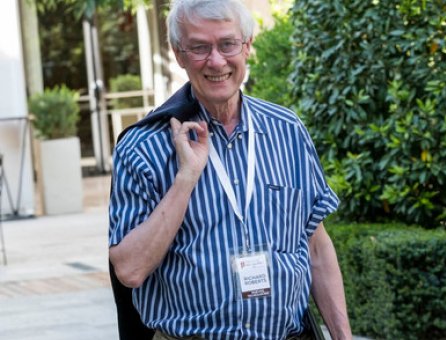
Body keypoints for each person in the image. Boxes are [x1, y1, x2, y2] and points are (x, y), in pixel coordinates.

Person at [108, 0, 352, 339]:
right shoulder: (143, 146)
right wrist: (186, 179)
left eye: (227, 44)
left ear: (247, 46)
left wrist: (342, 337)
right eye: (199, 48)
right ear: (179, 54)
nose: (217, 61)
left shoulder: (287, 130)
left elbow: (316, 247)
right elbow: (130, 270)